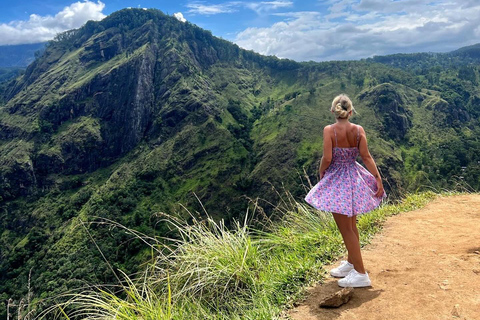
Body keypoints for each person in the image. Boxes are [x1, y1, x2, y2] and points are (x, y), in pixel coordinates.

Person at [305, 94, 386, 288]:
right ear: (350, 112)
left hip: (338, 180)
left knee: (346, 229)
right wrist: (377, 177)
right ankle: (352, 263)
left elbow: (327, 157)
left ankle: (360, 273)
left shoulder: (329, 130)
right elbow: (365, 156)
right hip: (354, 177)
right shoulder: (358, 130)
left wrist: (321, 171)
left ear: (333, 111)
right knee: (352, 226)